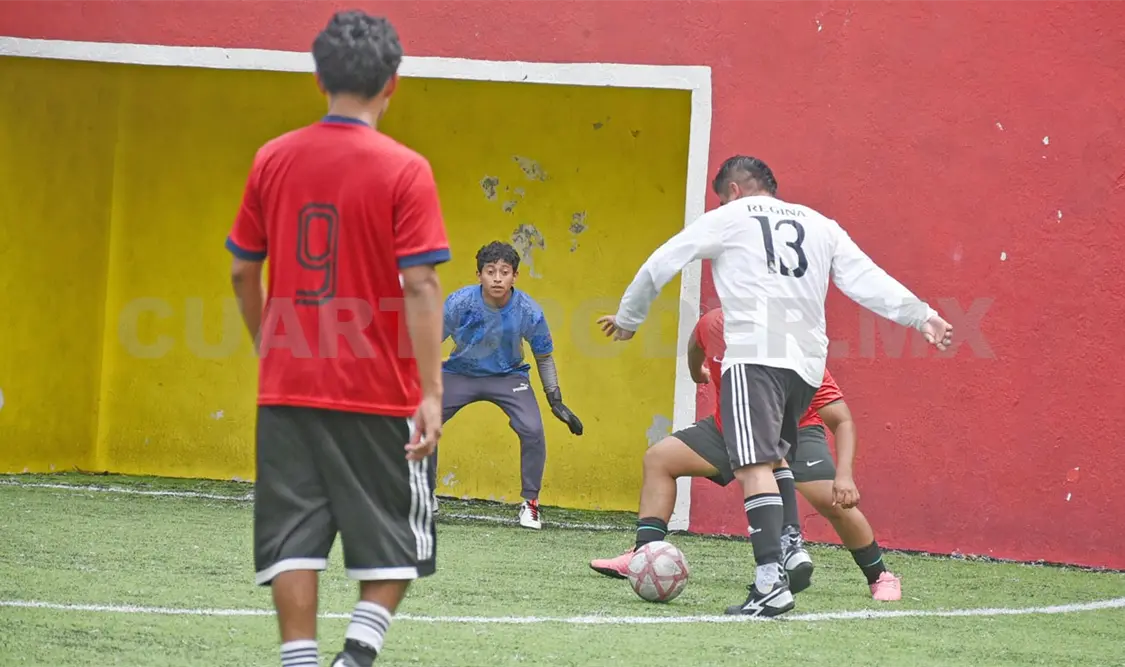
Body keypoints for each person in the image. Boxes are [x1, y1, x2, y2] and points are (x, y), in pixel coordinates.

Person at [597, 155, 952, 617]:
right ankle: (787, 550)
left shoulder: (731, 216)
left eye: (722, 196)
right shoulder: (820, 224)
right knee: (773, 457)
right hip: (806, 363)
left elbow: (663, 260)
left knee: (754, 466)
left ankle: (770, 581)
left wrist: (629, 318)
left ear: (735, 191)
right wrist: (920, 314)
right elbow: (865, 278)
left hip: (756, 355)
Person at [225, 11, 449, 667]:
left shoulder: (272, 156)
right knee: (400, 536)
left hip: (288, 383)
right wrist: (433, 391)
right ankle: (356, 654)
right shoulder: (406, 169)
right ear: (393, 84)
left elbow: (243, 268)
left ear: (318, 75)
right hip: (380, 391)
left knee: (291, 534)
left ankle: (299, 660)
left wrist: (269, 343)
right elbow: (422, 285)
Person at [589, 307, 902, 601]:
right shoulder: (714, 324)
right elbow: (696, 341)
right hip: (729, 429)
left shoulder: (797, 352)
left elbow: (842, 419)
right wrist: (697, 371)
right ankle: (644, 554)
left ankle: (880, 575)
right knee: (659, 459)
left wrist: (844, 476)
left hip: (795, 432)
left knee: (831, 499)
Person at [441, 241, 583, 529]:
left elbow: (544, 357)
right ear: (478, 274)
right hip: (459, 373)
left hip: (509, 377)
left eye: (504, 272)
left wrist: (555, 399)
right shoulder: (459, 303)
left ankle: (530, 504)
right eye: (490, 271)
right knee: (421, 421)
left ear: (515, 276)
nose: (497, 278)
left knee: (532, 430)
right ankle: (421, 495)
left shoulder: (529, 311)